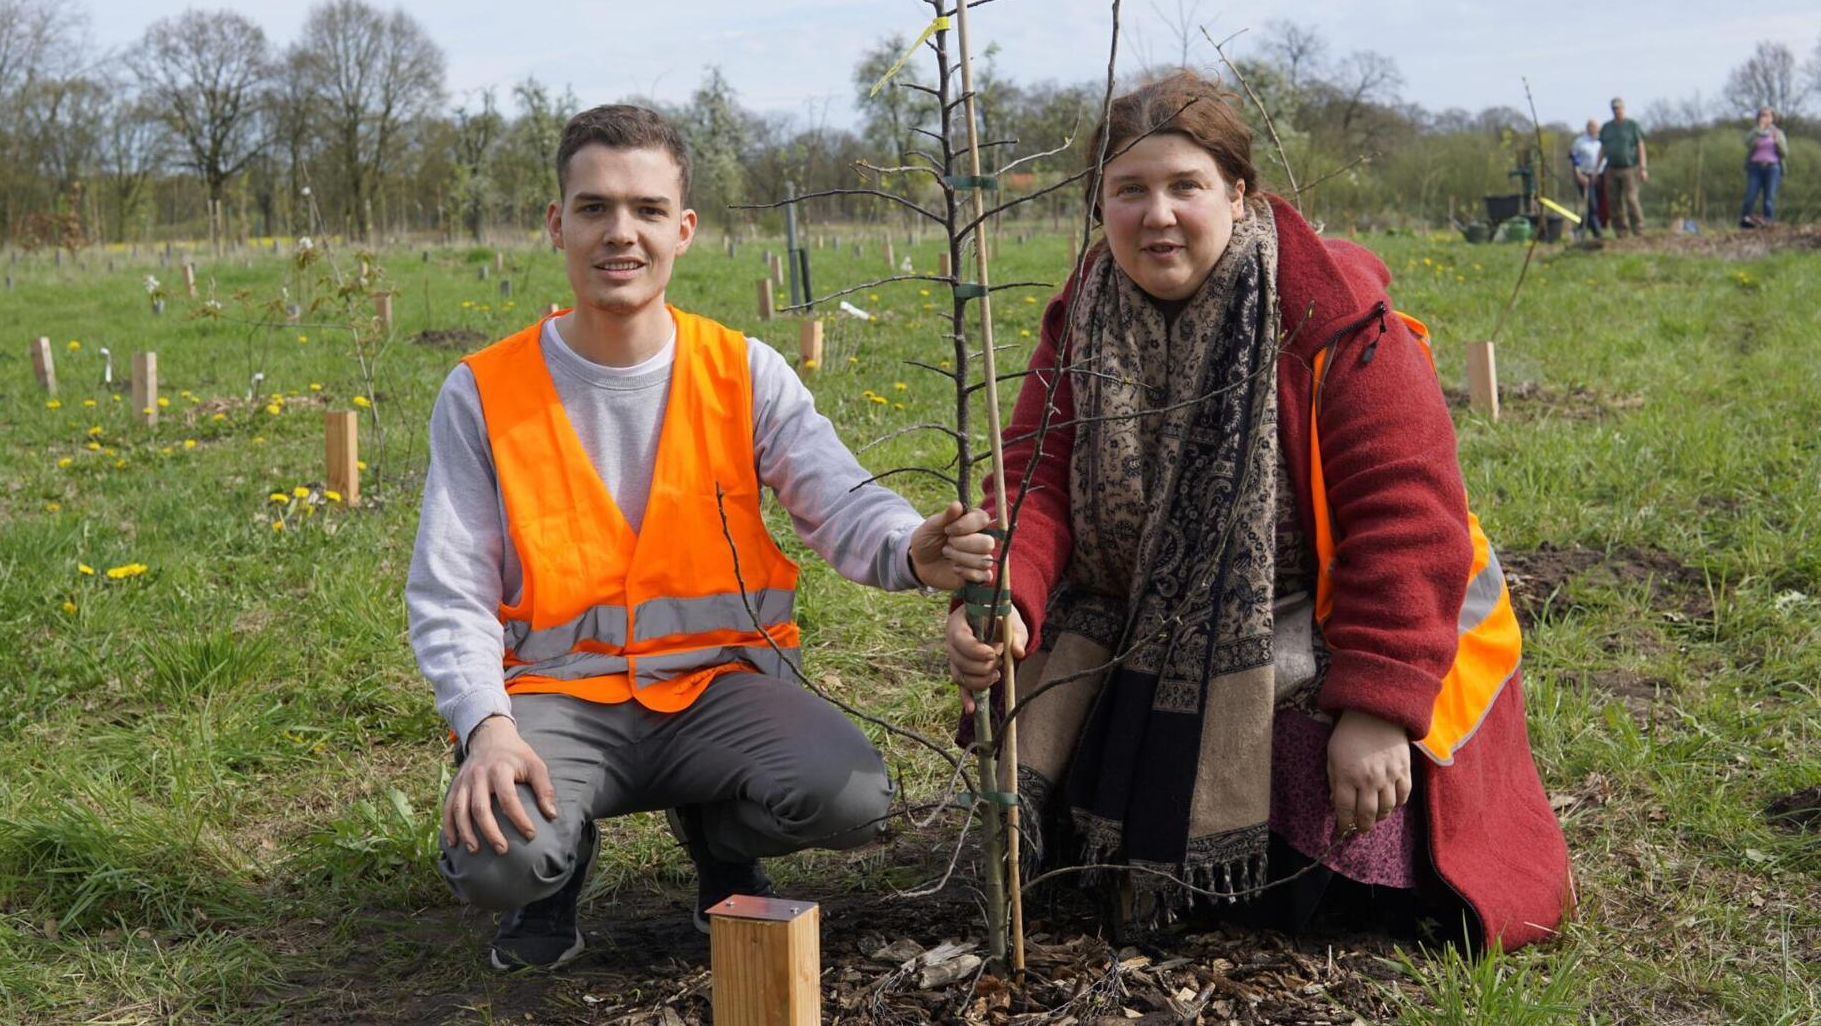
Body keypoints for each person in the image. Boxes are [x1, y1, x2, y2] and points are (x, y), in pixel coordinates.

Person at [941, 71, 1571, 951]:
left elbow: (1407, 520)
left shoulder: (1335, 319)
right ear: (1099, 208)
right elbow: (1036, 477)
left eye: (1184, 186)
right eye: (1129, 191)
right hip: (1143, 605)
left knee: (1304, 824)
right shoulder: (1083, 315)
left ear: (1237, 194)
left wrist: (1379, 707)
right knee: (1052, 705)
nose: (1157, 214)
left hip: (1335, 612)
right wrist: (1009, 593)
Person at [407, 104, 990, 971]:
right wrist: (487, 726)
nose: (620, 233)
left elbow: (838, 496)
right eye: (595, 207)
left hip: (721, 689)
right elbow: (449, 587)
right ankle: (556, 864)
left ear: (683, 230)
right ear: (555, 224)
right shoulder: (484, 391)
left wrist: (910, 548)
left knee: (857, 799)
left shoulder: (742, 370)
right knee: (504, 862)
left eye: (646, 210)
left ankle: (722, 844)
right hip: (554, 701)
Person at [1598, 97, 1647, 237]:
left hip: (1629, 168)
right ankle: (1621, 232)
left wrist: (1643, 168)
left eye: (1619, 108)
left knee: (1631, 200)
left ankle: (1638, 230)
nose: (1617, 111)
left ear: (1623, 109)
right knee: (1614, 202)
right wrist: (1597, 168)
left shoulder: (1632, 126)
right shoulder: (1607, 128)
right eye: (1614, 109)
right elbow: (1602, 148)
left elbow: (1640, 146)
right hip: (1611, 169)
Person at [1741, 106, 1789, 227]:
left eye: (1768, 115)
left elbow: (1785, 153)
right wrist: (1758, 130)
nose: (1765, 118)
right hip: (1755, 167)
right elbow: (1746, 143)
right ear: (1759, 117)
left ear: (1773, 118)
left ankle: (1768, 222)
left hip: (1772, 168)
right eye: (1763, 115)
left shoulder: (1778, 133)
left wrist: (1777, 141)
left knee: (1769, 199)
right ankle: (1745, 221)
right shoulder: (1754, 132)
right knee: (1750, 197)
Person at [1569, 119, 1605, 240]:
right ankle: (1597, 233)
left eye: (1595, 127)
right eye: (1591, 126)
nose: (1593, 129)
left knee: (1597, 207)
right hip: (1585, 176)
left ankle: (1579, 230)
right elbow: (1574, 159)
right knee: (1592, 205)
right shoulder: (1580, 142)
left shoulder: (1602, 141)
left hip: (1600, 176)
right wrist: (1578, 174)